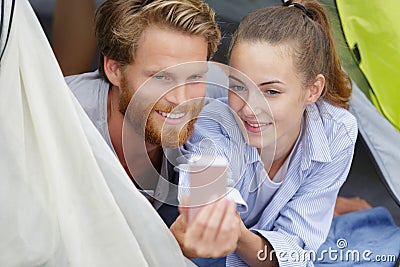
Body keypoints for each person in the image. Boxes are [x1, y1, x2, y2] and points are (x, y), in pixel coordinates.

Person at [178, 0, 359, 266]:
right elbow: (205, 188)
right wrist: (210, 207)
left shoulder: (337, 131)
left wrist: (237, 234)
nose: (250, 108)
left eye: (271, 91)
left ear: (313, 90)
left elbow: (295, 253)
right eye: (239, 86)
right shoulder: (212, 122)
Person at [66, 0, 242, 259]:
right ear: (114, 69)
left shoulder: (216, 103)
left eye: (194, 77)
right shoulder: (61, 116)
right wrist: (164, 248)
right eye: (161, 77)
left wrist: (210, 210)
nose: (181, 98)